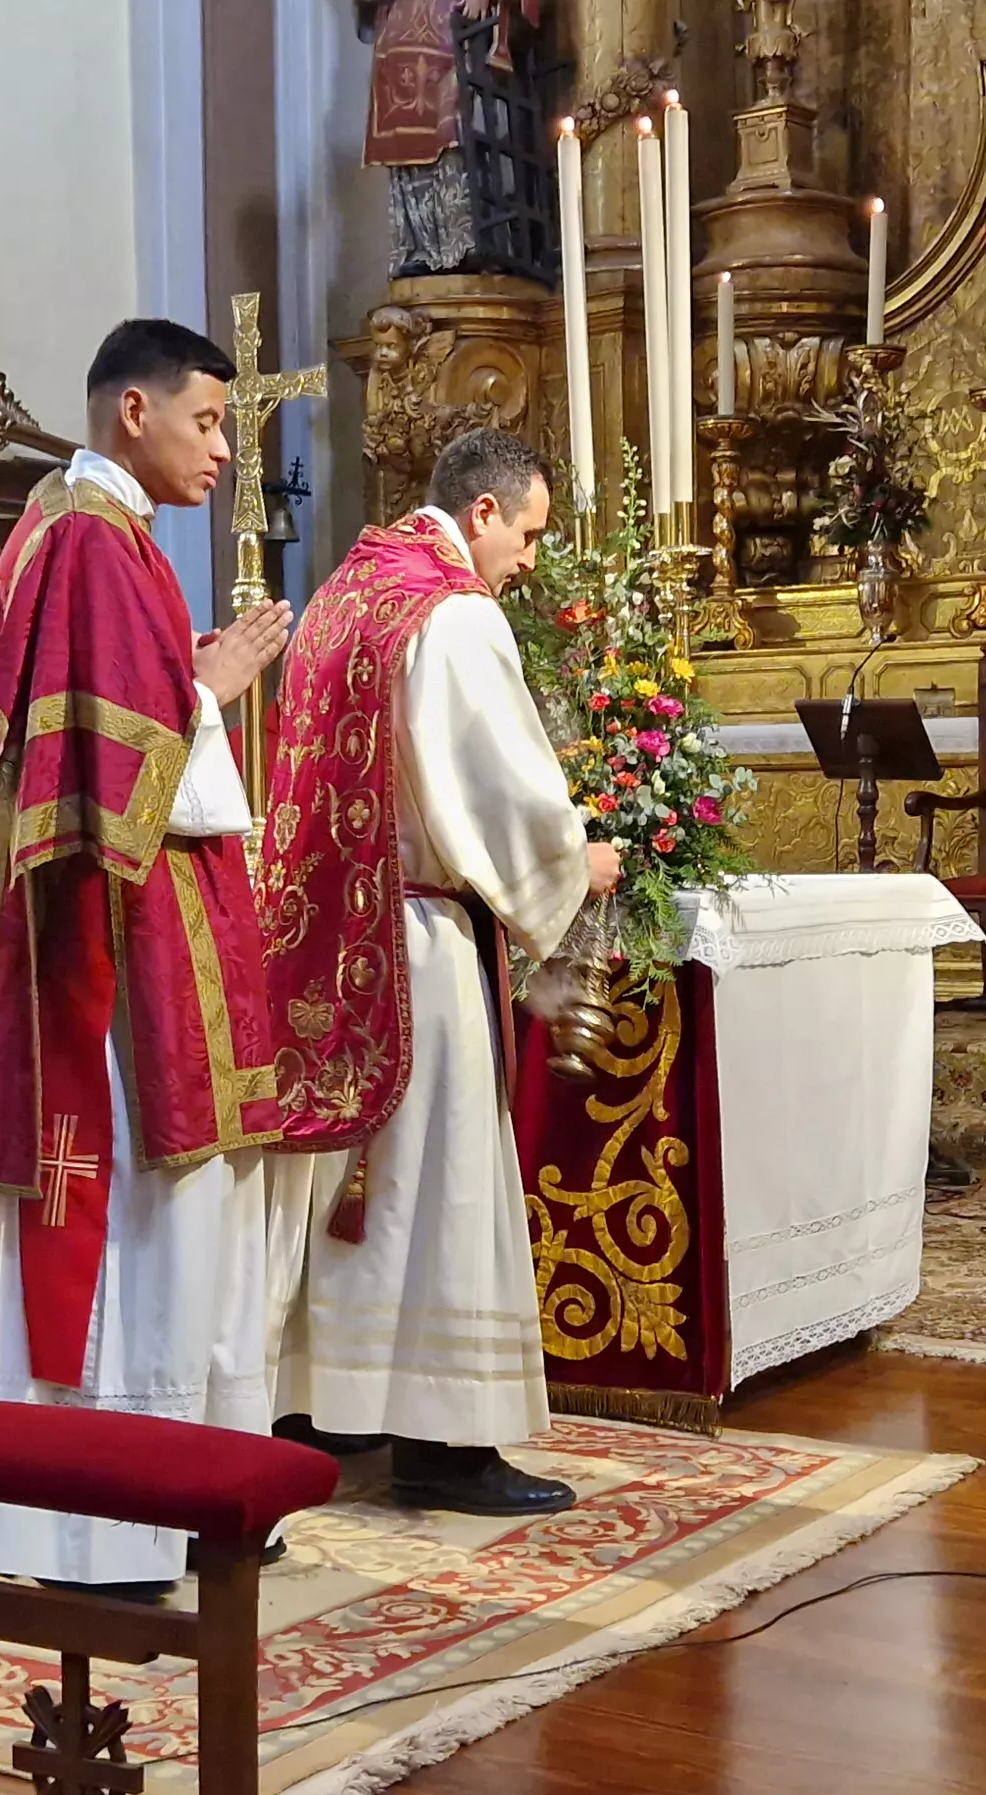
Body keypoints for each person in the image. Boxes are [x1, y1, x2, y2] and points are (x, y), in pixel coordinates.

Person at [0, 319, 299, 1595]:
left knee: (165, 1216)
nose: (220, 451)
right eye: (206, 423)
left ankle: (158, 1497)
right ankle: (109, 1520)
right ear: (131, 411)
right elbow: (113, 769)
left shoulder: (90, 533)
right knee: (145, 1214)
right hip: (122, 948)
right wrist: (218, 689)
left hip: (129, 926)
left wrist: (193, 681)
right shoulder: (94, 540)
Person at [261, 429, 620, 1515]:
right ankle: (447, 1443)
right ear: (480, 515)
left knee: (352, 1195)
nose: (528, 558)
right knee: (440, 1188)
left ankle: (328, 1407)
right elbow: (497, 794)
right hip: (413, 944)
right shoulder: (452, 613)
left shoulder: (344, 594)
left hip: (327, 940)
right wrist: (575, 863)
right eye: (528, 532)